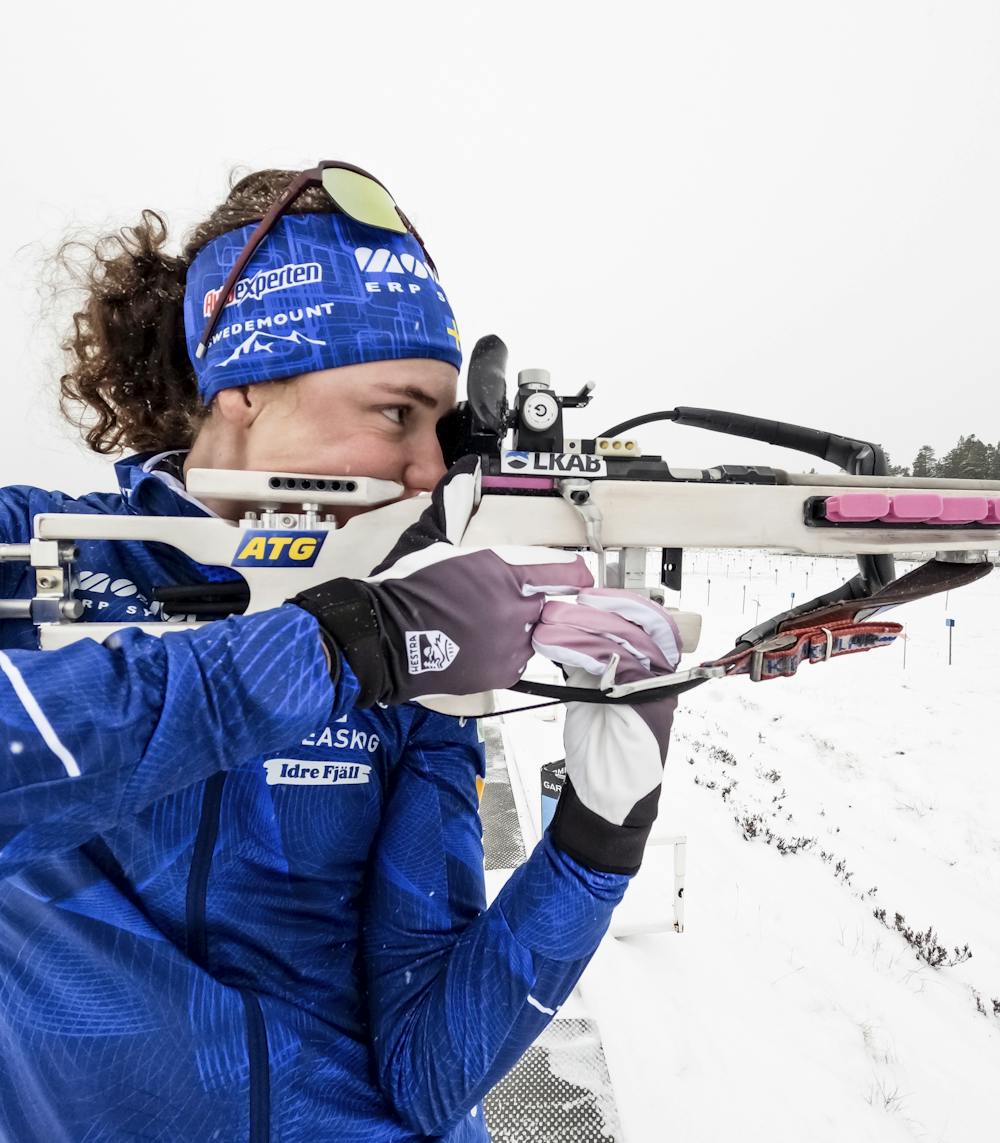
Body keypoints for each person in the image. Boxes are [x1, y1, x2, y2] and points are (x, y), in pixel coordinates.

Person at [0, 162, 680, 1142]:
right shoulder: (36, 549)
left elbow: (427, 1067)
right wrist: (337, 649)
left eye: (441, 430)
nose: (427, 469)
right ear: (242, 387)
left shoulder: (416, 642)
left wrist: (595, 842)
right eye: (396, 414)